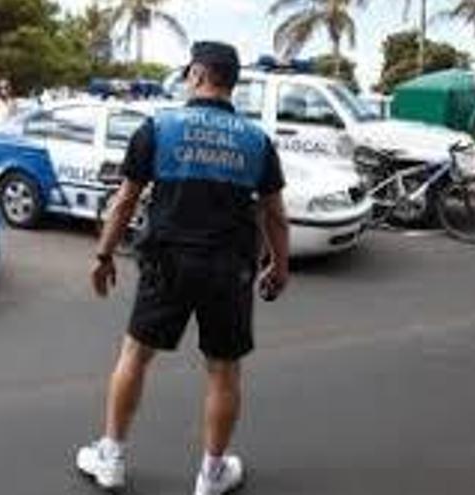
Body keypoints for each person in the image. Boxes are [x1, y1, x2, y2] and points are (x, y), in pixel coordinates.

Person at [75, 41, 290, 495]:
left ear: (196, 74)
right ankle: (211, 475)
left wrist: (103, 255)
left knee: (135, 355)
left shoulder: (159, 127)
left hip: (166, 263)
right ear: (232, 83)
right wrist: (280, 265)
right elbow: (274, 214)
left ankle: (110, 458)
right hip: (229, 269)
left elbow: (125, 200)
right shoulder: (257, 141)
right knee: (224, 370)